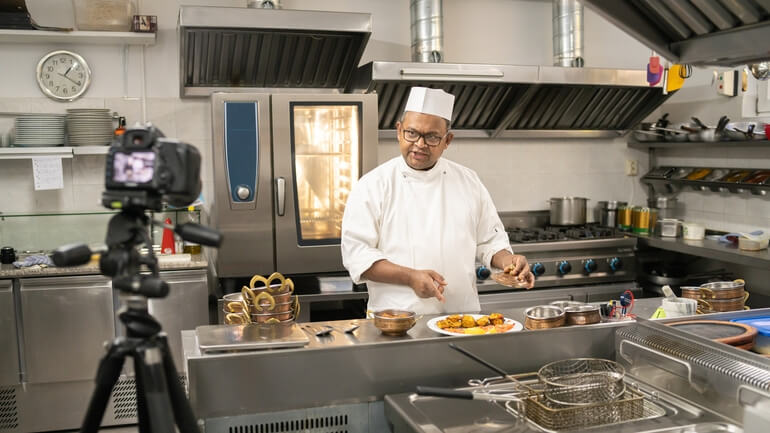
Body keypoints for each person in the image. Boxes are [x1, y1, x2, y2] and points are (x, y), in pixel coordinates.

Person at [341, 86, 534, 314]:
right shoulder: (373, 185)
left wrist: (510, 262)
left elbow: (490, 241)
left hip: (462, 319)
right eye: (411, 133)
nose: (420, 144)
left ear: (447, 140)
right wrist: (410, 277)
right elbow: (357, 255)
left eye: (432, 137)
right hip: (396, 323)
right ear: (398, 130)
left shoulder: (468, 181)